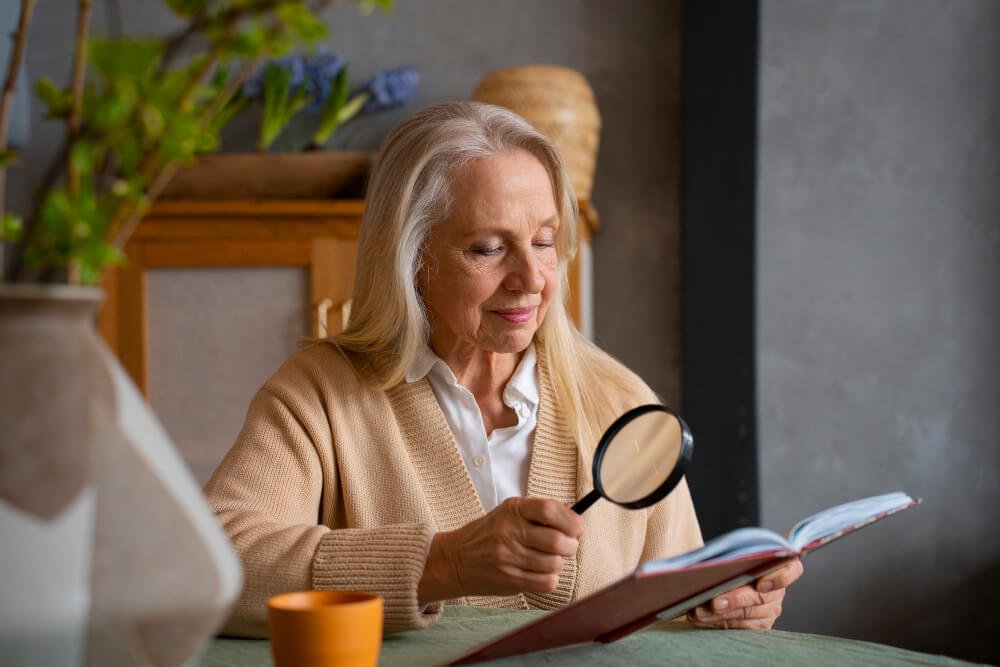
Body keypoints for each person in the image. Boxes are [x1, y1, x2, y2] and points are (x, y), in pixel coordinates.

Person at [204, 101, 802, 637]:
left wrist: (725, 608)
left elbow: (674, 607)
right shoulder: (319, 395)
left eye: (544, 240)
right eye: (488, 248)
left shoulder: (619, 399)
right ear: (411, 258)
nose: (532, 279)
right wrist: (445, 564)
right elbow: (212, 564)